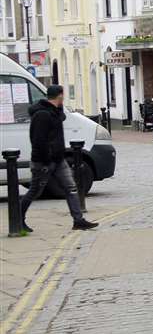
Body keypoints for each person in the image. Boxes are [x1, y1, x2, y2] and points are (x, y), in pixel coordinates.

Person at [18, 85, 97, 233]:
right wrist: (47, 159)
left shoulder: (54, 112)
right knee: (35, 191)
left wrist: (60, 109)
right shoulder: (42, 115)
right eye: (63, 95)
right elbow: (38, 140)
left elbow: (62, 118)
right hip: (44, 161)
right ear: (60, 96)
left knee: (70, 187)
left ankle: (78, 220)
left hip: (58, 160)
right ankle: (18, 219)